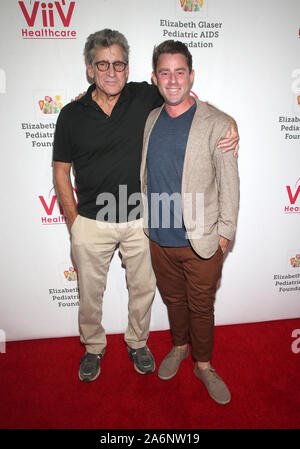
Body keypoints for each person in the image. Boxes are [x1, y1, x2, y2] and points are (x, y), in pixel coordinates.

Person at [53, 29, 239, 383]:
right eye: (103, 64)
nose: (112, 72)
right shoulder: (71, 114)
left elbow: (190, 102)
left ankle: (138, 342)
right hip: (92, 222)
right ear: (90, 69)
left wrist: (230, 123)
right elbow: (61, 172)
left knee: (143, 291)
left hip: (141, 221)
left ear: (128, 67)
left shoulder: (144, 95)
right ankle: (93, 347)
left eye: (119, 64)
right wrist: (75, 222)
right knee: (90, 295)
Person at [140, 40, 240, 405]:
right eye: (164, 73)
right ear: (154, 78)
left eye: (179, 72)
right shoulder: (151, 119)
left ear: (191, 76)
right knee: (173, 300)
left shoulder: (218, 124)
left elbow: (230, 183)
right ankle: (179, 347)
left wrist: (225, 234)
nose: (172, 79)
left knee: (202, 307)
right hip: (158, 237)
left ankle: (203, 365)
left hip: (201, 241)